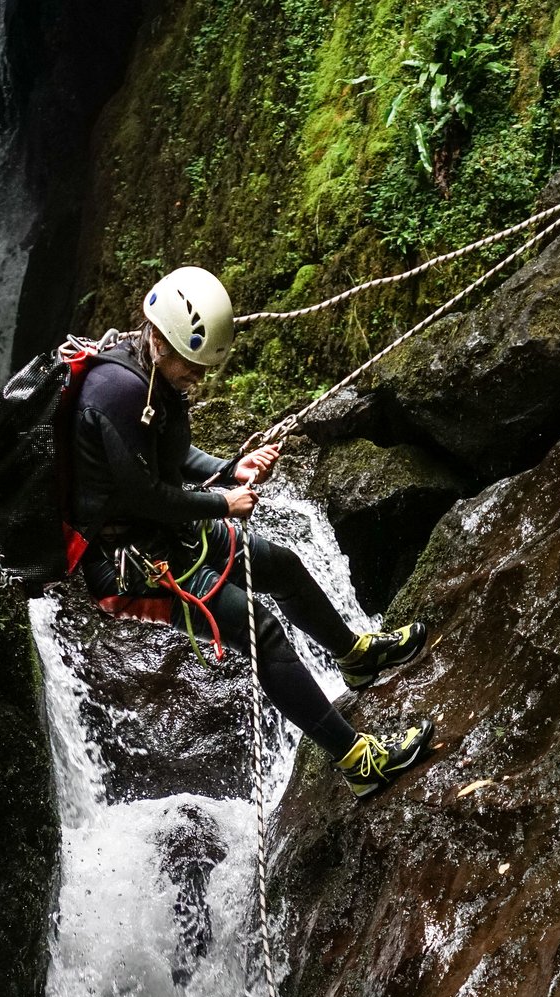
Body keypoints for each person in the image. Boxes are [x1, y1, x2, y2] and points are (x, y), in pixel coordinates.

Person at [70, 266, 435, 800]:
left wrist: (231, 467)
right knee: (260, 630)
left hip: (168, 535)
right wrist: (224, 501)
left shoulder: (149, 371)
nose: (197, 380)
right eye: (192, 368)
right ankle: (359, 763)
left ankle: (355, 657)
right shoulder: (115, 391)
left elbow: (171, 459)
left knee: (278, 563)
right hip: (131, 565)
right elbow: (142, 496)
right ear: (165, 341)